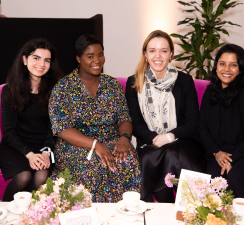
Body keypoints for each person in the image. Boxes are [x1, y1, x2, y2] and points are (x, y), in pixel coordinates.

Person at [49, 34, 141, 203]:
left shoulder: (112, 85)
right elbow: (62, 129)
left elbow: (124, 118)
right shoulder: (63, 88)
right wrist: (95, 145)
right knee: (93, 164)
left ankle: (124, 212)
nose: (97, 61)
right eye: (90, 56)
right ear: (78, 58)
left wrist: (124, 138)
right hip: (76, 145)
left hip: (111, 139)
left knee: (127, 158)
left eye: (100, 55)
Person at [126, 30, 205, 202]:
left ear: (171, 54)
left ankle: (194, 206)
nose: (158, 56)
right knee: (152, 156)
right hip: (150, 141)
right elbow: (136, 123)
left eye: (163, 50)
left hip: (185, 140)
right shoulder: (134, 82)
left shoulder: (184, 81)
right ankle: (163, 209)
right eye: (152, 50)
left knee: (171, 153)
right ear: (145, 54)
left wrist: (169, 137)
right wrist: (156, 138)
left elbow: (193, 122)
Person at [0, 38, 61, 201]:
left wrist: (47, 152)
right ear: (24, 59)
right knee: (24, 177)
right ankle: (3, 211)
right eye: (36, 58)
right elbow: (9, 132)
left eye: (47, 60)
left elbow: (53, 128)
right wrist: (29, 155)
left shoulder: (55, 91)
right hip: (16, 147)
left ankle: (30, 214)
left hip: (42, 147)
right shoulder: (9, 90)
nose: (41, 64)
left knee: (41, 177)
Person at [199, 43, 244, 198]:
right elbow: (202, 127)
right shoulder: (210, 91)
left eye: (233, 65)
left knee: (234, 178)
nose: (226, 69)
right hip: (216, 152)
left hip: (240, 153)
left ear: (240, 69)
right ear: (216, 67)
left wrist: (232, 159)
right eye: (222, 64)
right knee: (213, 184)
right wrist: (217, 153)